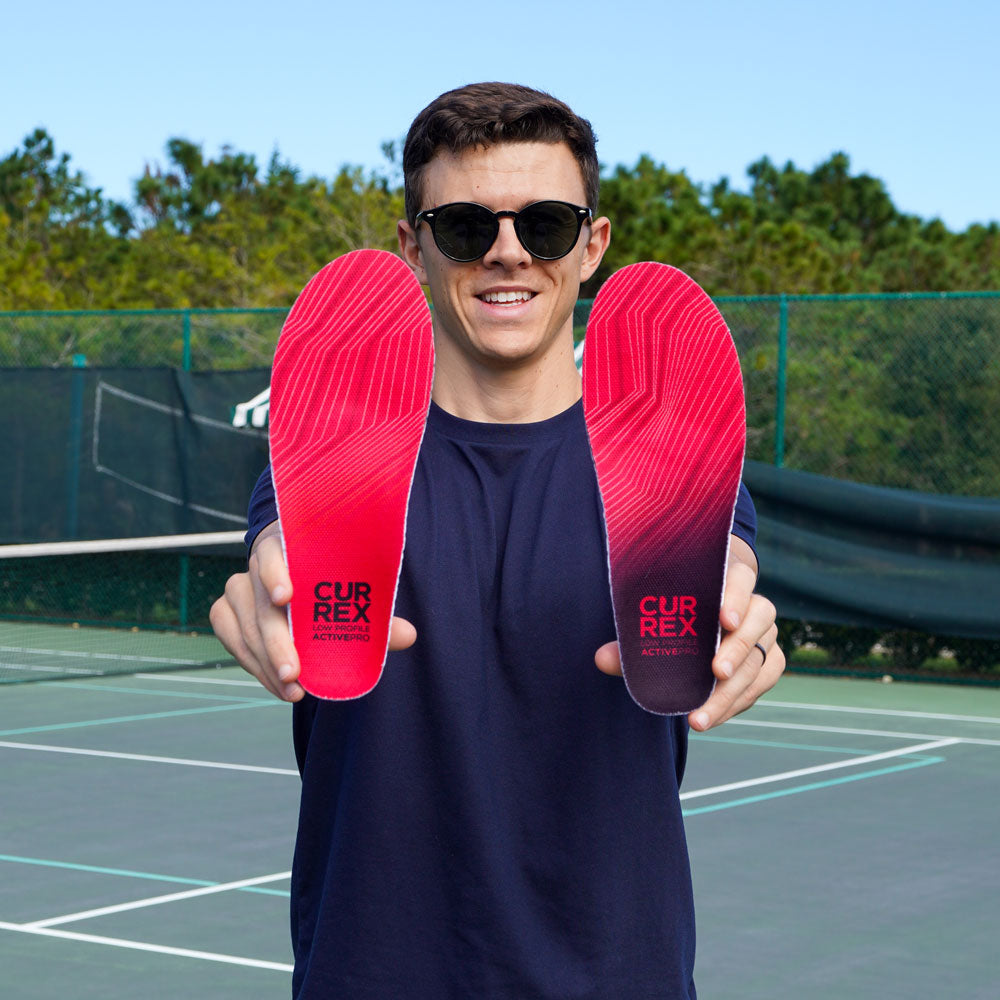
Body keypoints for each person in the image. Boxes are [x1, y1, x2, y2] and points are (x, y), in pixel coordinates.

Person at [211, 82, 784, 999]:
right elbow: (278, 560)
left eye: (547, 224)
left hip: (618, 978)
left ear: (593, 245)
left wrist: (738, 620)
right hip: (369, 975)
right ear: (415, 245)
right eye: (466, 226)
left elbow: (728, 570)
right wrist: (263, 595)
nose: (508, 251)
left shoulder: (671, 474)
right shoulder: (329, 467)